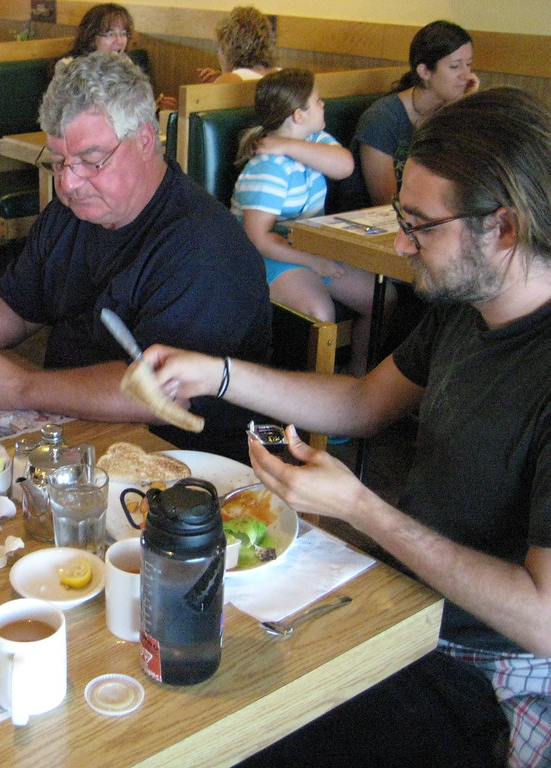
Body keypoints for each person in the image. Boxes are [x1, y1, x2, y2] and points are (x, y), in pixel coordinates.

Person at [146, 87, 551, 767]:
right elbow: (364, 401)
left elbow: (543, 620)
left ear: (504, 228)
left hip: (487, 669)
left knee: (246, 738)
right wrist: (218, 373)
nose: (400, 243)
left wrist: (361, 509)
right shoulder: (469, 303)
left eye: (419, 225)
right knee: (186, 658)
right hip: (408, 603)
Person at [0, 53, 272, 463]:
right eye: (58, 161)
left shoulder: (203, 247)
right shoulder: (73, 211)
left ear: (145, 140)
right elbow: (18, 303)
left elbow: (157, 396)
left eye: (91, 161)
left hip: (180, 462)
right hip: (78, 434)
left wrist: (24, 387)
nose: (69, 182)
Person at [231, 68, 380, 375]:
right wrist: (313, 262)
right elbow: (257, 238)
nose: (324, 104)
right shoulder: (268, 168)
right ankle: (316, 396)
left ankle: (358, 377)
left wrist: (286, 145)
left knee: (380, 298)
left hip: (306, 247)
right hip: (264, 256)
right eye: (318, 101)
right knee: (320, 312)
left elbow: (345, 166)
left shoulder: (313, 140)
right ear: (298, 115)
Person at [336, 20, 478, 211]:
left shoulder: (452, 112)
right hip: (380, 224)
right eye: (455, 66)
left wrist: (463, 112)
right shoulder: (381, 119)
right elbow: (386, 202)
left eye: (468, 65)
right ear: (424, 71)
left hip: (428, 220)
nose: (466, 75)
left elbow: (467, 184)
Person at [197, 6, 279, 85]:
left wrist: (222, 79)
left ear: (228, 48)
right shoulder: (280, 74)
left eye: (219, 47)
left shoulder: (231, 80)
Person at [65, 3, 135, 58]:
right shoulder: (70, 68)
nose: (119, 41)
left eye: (123, 34)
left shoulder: (125, 61)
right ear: (92, 37)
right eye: (111, 34)